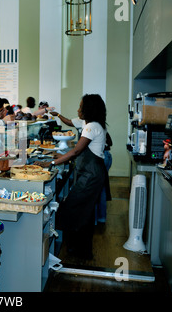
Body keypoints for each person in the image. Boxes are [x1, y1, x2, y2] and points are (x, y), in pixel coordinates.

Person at [35, 94, 110, 259]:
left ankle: (77, 249)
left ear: (88, 109)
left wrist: (52, 163)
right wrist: (59, 158)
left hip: (91, 174)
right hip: (93, 172)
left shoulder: (91, 127)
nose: (78, 110)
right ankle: (82, 249)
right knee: (85, 210)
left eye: (80, 107)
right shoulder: (97, 124)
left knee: (73, 207)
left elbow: (76, 151)